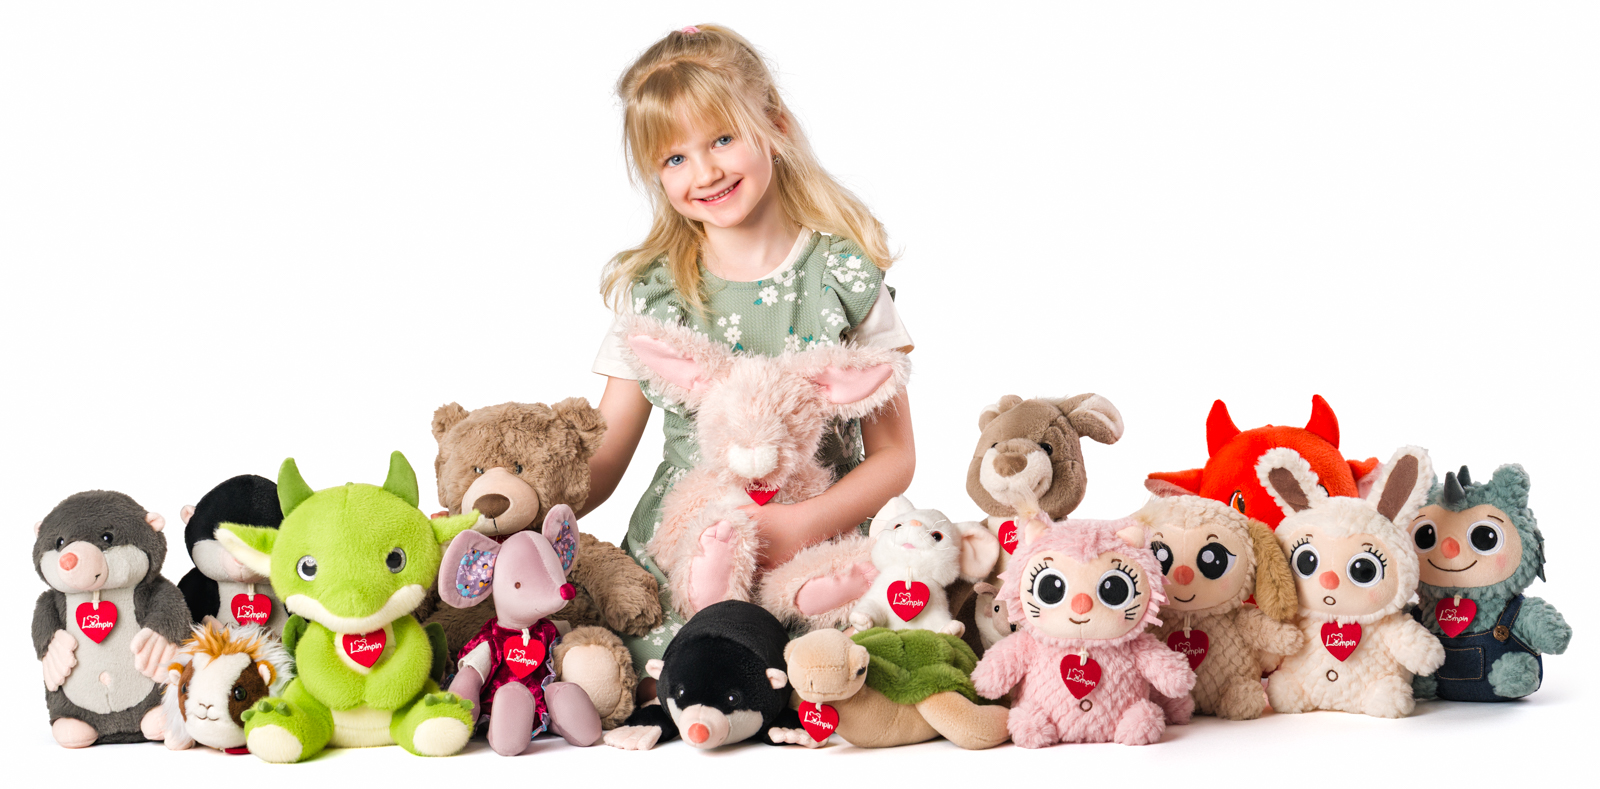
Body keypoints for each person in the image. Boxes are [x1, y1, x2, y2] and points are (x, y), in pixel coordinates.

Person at [582, 24, 917, 690]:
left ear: (774, 126)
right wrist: (519, 515)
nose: (704, 172)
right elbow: (605, 455)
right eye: (674, 158)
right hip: (689, 547)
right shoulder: (655, 292)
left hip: (819, 539)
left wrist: (801, 524)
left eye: (722, 140)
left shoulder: (841, 275)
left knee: (851, 666)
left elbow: (895, 454)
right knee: (644, 675)